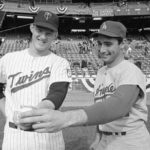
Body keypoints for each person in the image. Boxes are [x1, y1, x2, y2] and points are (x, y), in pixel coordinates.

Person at [19, 21, 150, 150]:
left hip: (131, 141)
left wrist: (66, 118)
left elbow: (118, 106)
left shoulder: (130, 70)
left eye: (108, 44)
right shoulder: (101, 72)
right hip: (105, 140)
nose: (102, 49)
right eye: (99, 44)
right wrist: (98, 138)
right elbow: (102, 110)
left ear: (123, 44)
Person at [0, 10, 72, 150]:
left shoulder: (60, 63)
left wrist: (31, 116)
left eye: (49, 33)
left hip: (48, 139)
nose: (43, 36)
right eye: (40, 30)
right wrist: (6, 112)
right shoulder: (8, 59)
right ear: (32, 28)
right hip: (13, 139)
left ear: (55, 35)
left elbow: (57, 94)